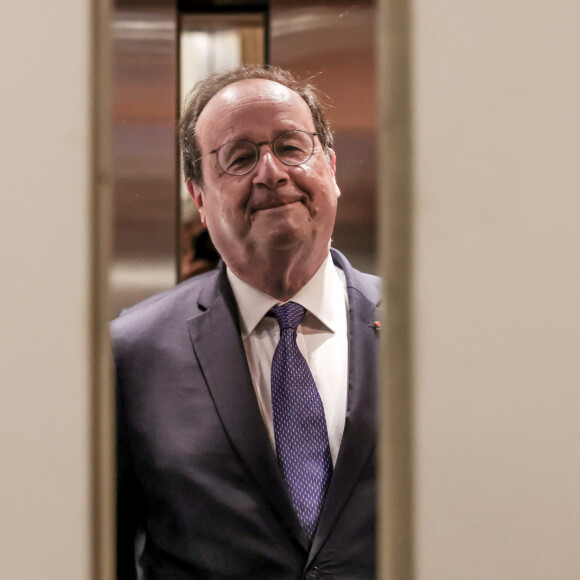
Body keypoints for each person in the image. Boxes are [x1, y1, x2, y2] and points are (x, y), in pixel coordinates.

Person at [112, 65, 381, 580]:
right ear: (199, 200)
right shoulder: (132, 353)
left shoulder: (423, 331)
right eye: (240, 157)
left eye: (290, 146)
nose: (272, 172)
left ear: (330, 167)